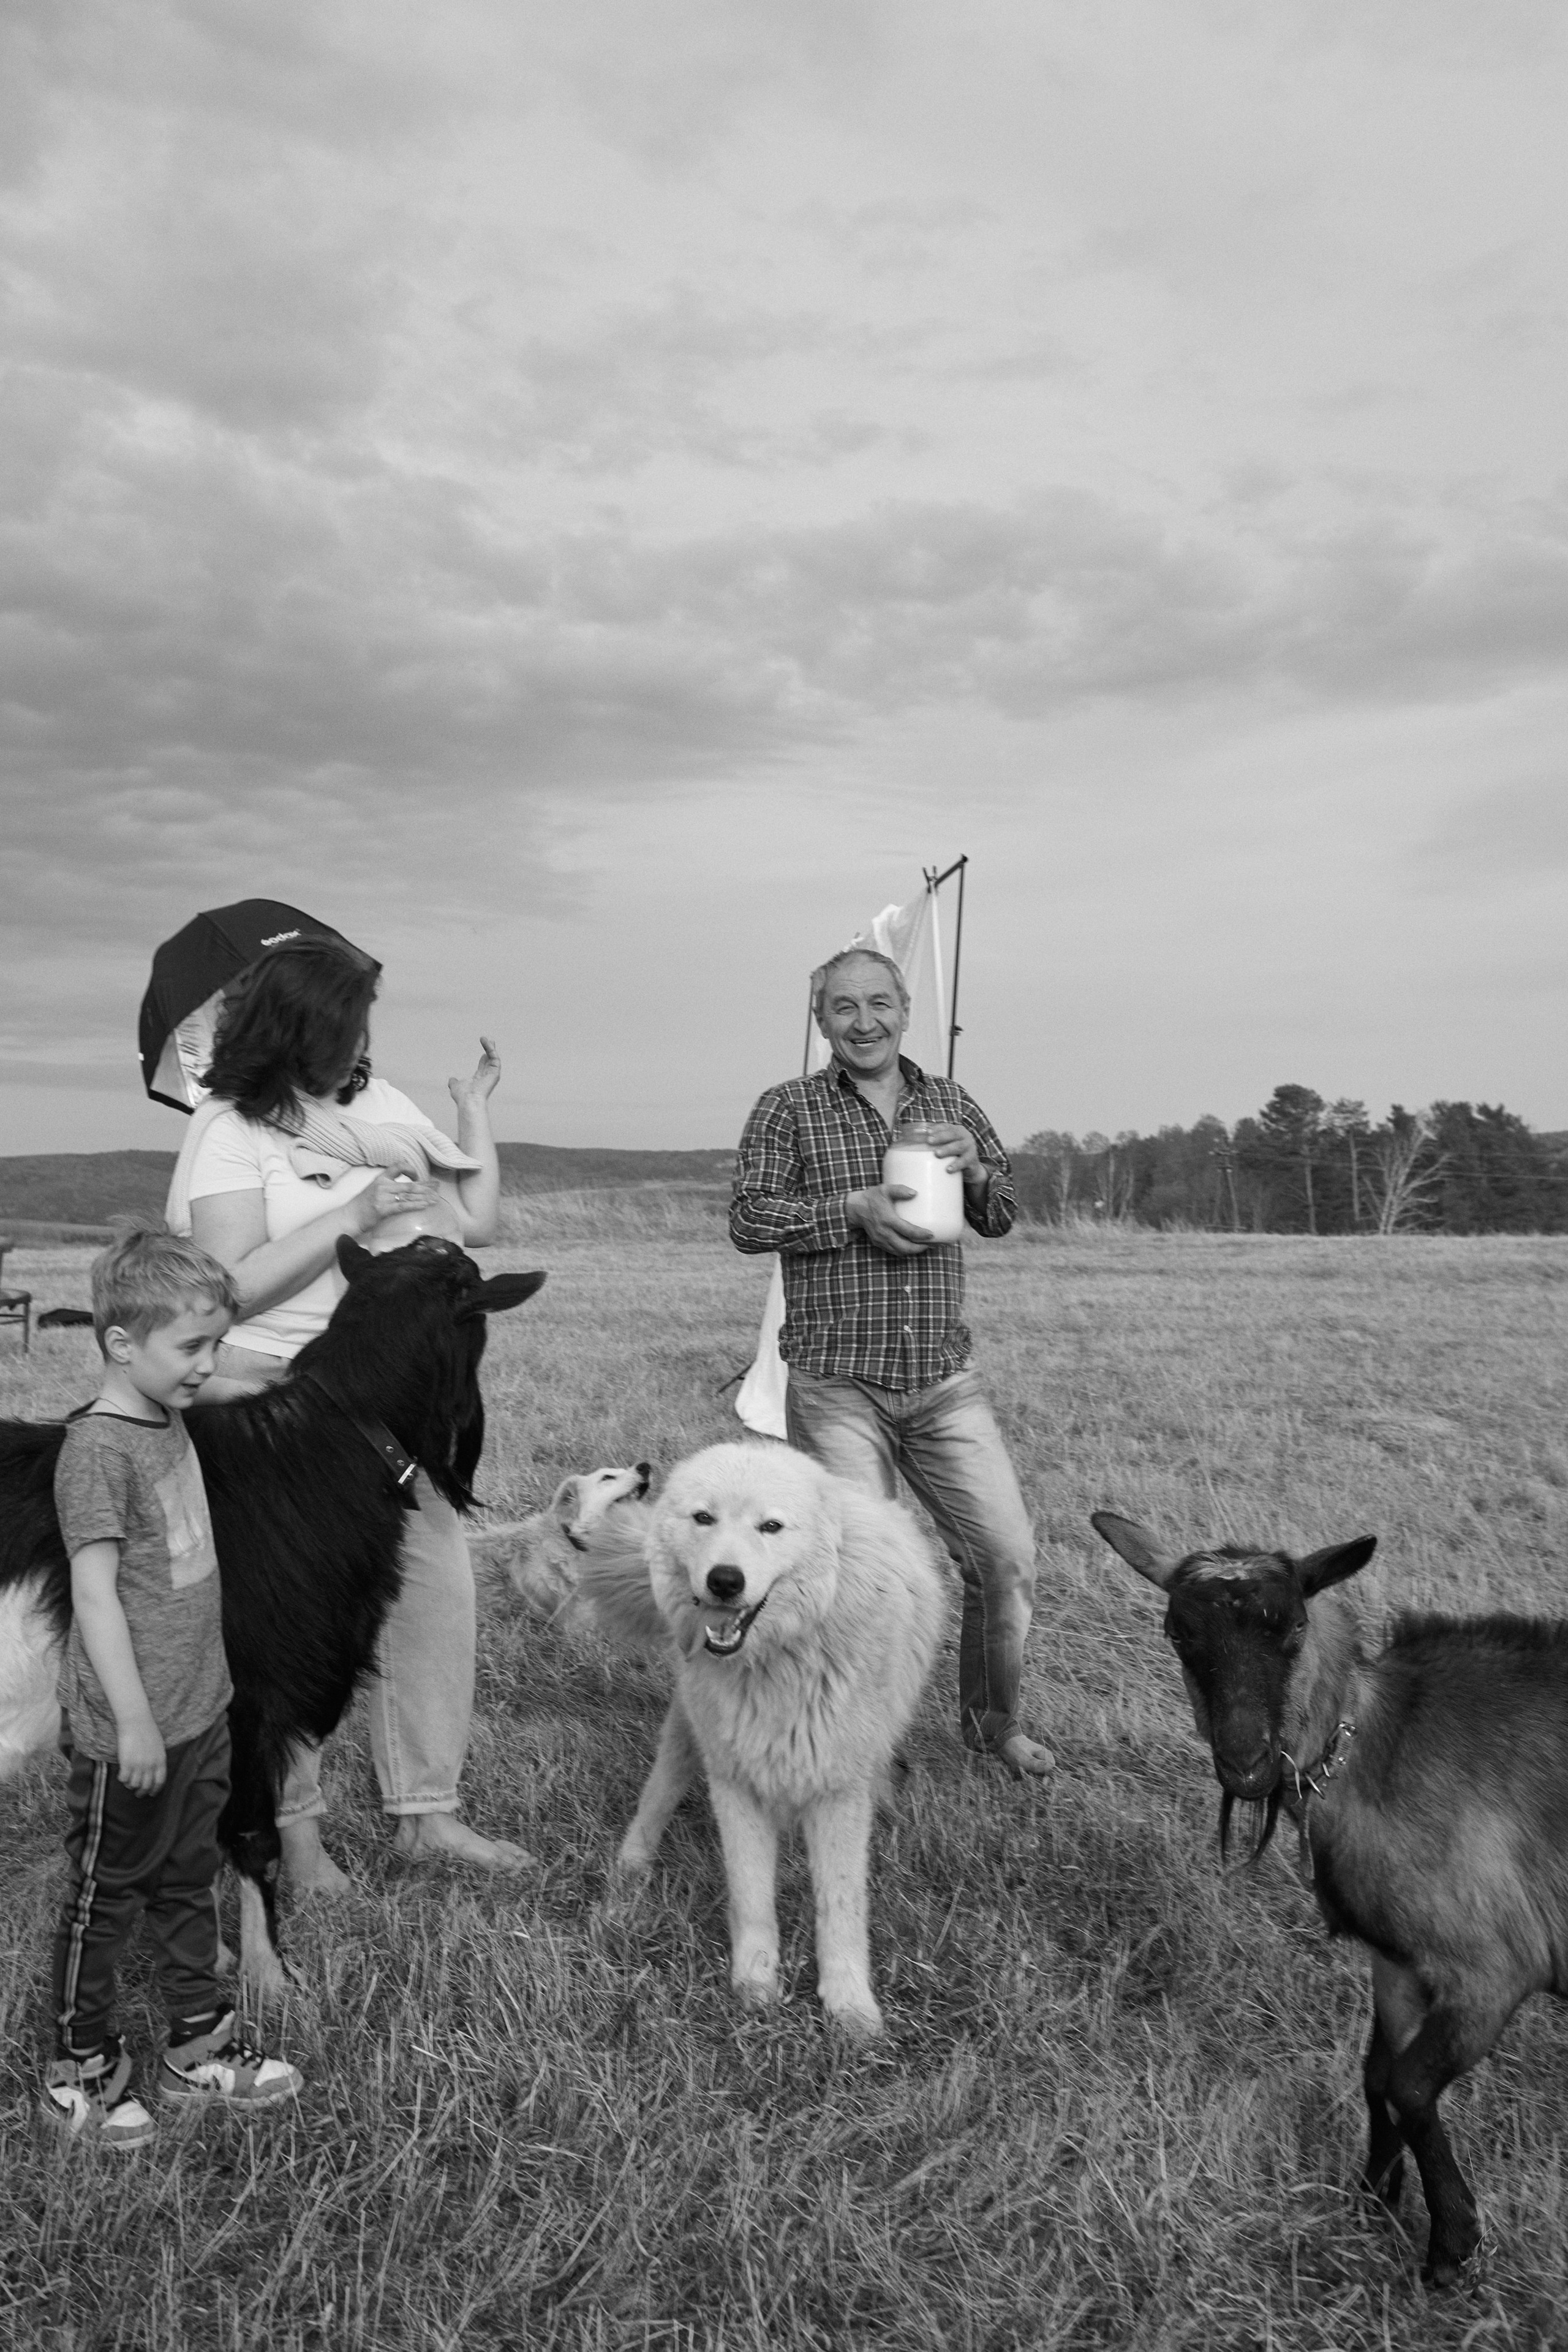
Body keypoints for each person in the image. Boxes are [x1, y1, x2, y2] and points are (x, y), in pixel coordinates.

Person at [165, 934, 529, 1891]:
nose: (363, 1037)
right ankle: (296, 1834)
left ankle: (428, 1812)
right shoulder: (230, 1128)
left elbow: (473, 1220)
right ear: (301, 1025)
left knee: (434, 1590)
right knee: (291, 1612)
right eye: (349, 1019)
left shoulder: (382, 1109)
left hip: (385, 1395)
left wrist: (470, 1114)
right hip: (277, 1401)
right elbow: (228, 1285)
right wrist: (355, 1215)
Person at [731, 946, 1055, 1779]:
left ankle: (993, 1727)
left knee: (1005, 1558)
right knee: (863, 1582)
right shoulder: (787, 1109)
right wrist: (849, 1210)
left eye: (879, 1003)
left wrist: (978, 1166)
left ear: (906, 1009)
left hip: (943, 1380)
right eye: (844, 1007)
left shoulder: (950, 1102)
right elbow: (750, 1219)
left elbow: (1003, 1215)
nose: (864, 1021)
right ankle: (859, 1747)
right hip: (838, 1381)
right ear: (822, 1021)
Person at [45, 1226, 303, 2149]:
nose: (208, 1365)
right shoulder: (99, 1453)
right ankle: (79, 2066)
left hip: (202, 1711)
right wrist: (135, 1722)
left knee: (190, 1879)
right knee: (107, 1894)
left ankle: (199, 2044)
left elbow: (235, 1383)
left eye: (214, 1344)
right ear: (121, 1345)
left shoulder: (166, 1409)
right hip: (137, 1731)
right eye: (191, 1348)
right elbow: (95, 1598)